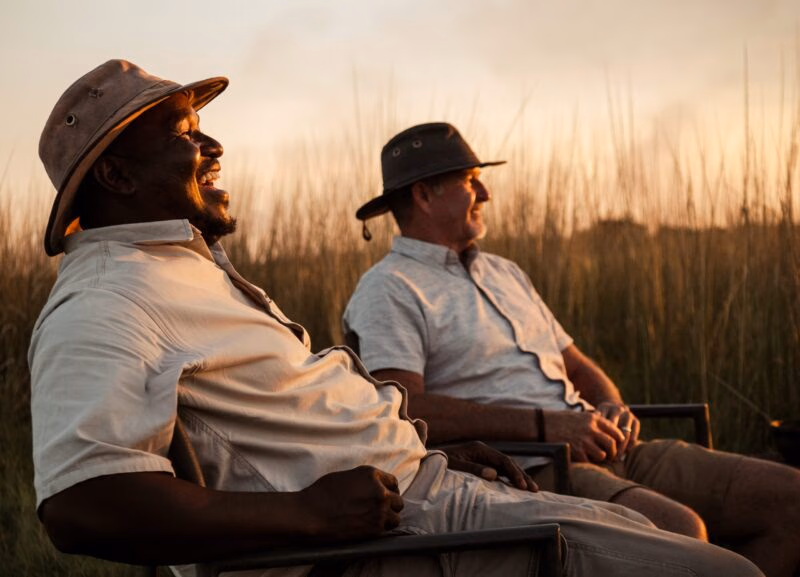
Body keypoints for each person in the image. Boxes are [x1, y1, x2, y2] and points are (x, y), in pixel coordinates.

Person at [30, 60, 763, 577]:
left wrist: (409, 442)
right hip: (392, 542)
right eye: (186, 132)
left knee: (667, 537)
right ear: (118, 176)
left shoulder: (189, 268)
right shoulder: (107, 300)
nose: (213, 143)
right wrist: (308, 518)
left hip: (430, 484)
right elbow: (80, 503)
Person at [342, 122, 800, 577]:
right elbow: (403, 409)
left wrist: (611, 405)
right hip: (529, 470)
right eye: (469, 181)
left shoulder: (505, 272)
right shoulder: (388, 289)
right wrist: (547, 425)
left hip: (608, 443)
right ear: (424, 195)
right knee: (681, 528)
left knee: (791, 498)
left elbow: (576, 364)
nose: (485, 194)